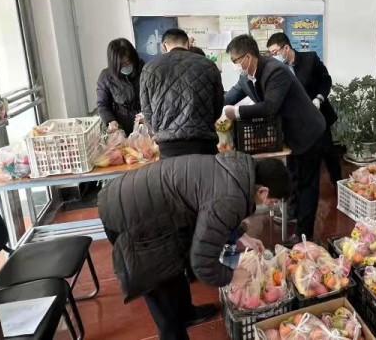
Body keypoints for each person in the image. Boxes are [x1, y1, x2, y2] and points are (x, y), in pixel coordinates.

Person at [98, 152, 292, 340]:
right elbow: (201, 263)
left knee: (173, 264)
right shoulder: (231, 197)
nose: (270, 205)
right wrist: (232, 276)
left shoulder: (239, 169)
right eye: (272, 201)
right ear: (262, 191)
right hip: (129, 214)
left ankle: (186, 312)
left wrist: (242, 235)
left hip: (140, 197)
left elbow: (210, 208)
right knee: (160, 286)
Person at [223, 34, 325, 243]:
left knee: (307, 184)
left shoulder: (275, 71)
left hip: (308, 130)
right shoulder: (246, 77)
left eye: (235, 60)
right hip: (289, 135)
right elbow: (229, 97)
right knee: (294, 176)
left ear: (248, 57)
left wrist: (237, 112)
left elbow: (270, 107)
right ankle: (294, 212)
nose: (234, 65)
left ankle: (304, 234)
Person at [267, 33, 342, 191]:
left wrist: (319, 98)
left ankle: (339, 185)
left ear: (286, 48)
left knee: (328, 152)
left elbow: (326, 80)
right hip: (296, 122)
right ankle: (297, 191)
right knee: (297, 158)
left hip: (318, 116)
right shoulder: (277, 69)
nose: (273, 57)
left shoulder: (310, 59)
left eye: (275, 52)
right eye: (270, 54)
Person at [140, 28, 224, 158]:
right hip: (204, 144)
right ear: (188, 44)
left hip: (168, 147)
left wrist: (158, 130)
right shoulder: (208, 65)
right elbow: (218, 106)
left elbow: (147, 110)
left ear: (163, 46)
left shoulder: (149, 69)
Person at [96, 38, 143, 135]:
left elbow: (155, 97)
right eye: (122, 64)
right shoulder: (106, 77)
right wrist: (110, 121)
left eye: (128, 62)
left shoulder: (144, 70)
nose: (126, 66)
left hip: (145, 124)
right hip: (121, 126)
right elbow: (102, 105)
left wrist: (147, 115)